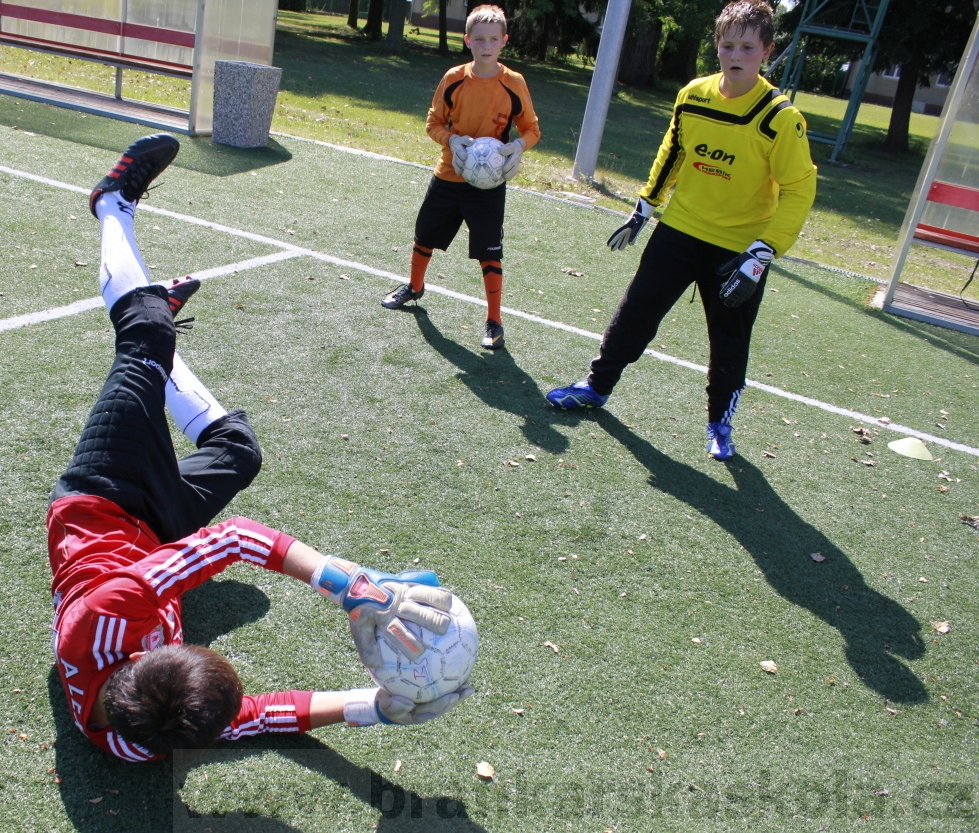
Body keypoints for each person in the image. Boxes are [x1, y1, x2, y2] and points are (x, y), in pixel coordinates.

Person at [48, 135, 473, 762]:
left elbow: (235, 539)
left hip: (100, 502)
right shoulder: (148, 738)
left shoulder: (109, 614)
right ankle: (157, 322)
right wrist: (373, 707)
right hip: (158, 533)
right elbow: (255, 718)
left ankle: (112, 206)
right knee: (238, 449)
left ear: (144, 659)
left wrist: (351, 585)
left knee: (141, 342)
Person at [545, 0, 816, 461]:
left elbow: (799, 189)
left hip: (739, 251)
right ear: (716, 45)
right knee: (635, 312)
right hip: (680, 229)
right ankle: (596, 387)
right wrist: (644, 207)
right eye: (727, 45)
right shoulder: (693, 95)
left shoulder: (780, 118)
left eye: (747, 47)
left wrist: (763, 251)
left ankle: (720, 423)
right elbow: (673, 151)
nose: (735, 55)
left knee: (729, 340)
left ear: (767, 51)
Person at [380, 4, 541, 351]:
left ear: (504, 41)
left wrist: (517, 147)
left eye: (493, 39)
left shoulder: (513, 83)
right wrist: (451, 141)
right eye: (479, 39)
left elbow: (532, 129)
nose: (486, 45)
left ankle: (494, 321)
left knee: (489, 252)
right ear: (467, 40)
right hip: (449, 175)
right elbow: (433, 123)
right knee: (424, 236)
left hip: (488, 186)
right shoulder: (454, 78)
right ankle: (414, 286)